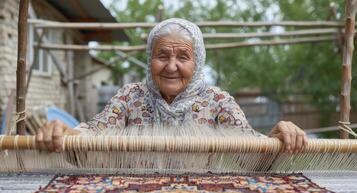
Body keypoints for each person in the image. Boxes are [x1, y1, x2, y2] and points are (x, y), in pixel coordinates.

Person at [36, 18, 307, 154]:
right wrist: (65, 132)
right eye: (162, 55)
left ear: (198, 62)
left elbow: (253, 147)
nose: (171, 66)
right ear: (149, 59)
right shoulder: (130, 97)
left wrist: (278, 138)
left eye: (183, 57)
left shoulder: (218, 102)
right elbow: (93, 135)